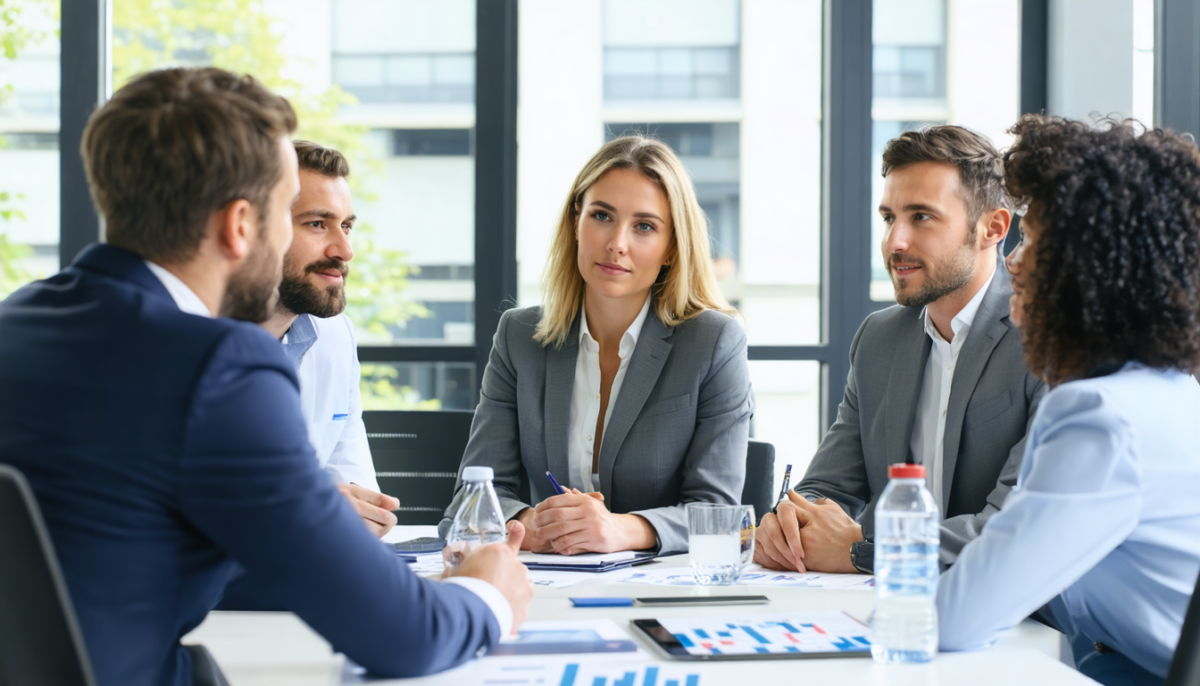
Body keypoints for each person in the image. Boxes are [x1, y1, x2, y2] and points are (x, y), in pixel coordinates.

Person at [0, 67, 532, 686]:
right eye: (290, 214)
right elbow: (405, 637)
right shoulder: (218, 365)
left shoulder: (17, 322)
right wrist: (486, 594)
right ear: (239, 226)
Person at [938, 115, 1200, 685]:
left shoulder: (1101, 417)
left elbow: (957, 619)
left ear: (1096, 268)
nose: (1014, 260)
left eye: (1036, 240)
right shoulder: (1169, 391)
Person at [439, 135, 754, 555]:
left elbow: (719, 514)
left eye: (644, 226)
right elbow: (474, 495)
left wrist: (623, 530)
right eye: (602, 215)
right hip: (548, 579)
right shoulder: (519, 336)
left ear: (672, 249)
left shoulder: (714, 341)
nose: (616, 243)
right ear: (576, 221)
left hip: (660, 590)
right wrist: (532, 522)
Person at [754, 125, 1046, 574]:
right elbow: (829, 485)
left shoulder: (1046, 339)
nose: (895, 242)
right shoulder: (879, 337)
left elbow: (1014, 526)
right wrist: (794, 519)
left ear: (993, 227)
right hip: (884, 606)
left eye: (921, 217)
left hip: (1011, 615)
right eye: (889, 218)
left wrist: (867, 551)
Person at [259, 140, 397, 539]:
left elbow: (356, 484)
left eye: (347, 225)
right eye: (317, 224)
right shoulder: (190, 340)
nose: (345, 250)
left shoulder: (336, 335)